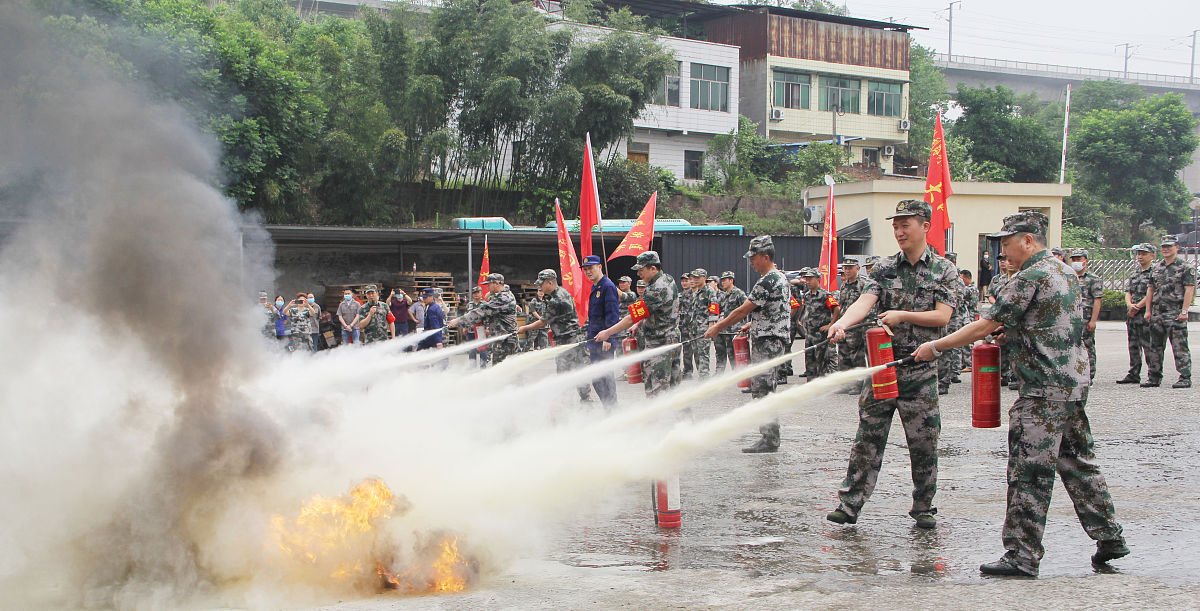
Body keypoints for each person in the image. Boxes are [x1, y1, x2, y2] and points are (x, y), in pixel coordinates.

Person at [912, 211, 1128, 577]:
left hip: (1042, 390)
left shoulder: (1030, 276)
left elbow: (986, 323)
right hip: (1072, 384)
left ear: (1028, 240)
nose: (1004, 251)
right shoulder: (1064, 271)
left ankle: (1022, 556)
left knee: (1028, 473)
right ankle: (1109, 536)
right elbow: (1047, 323)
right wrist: (1014, 334)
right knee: (1078, 463)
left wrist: (936, 346)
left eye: (1007, 244)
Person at [825, 200, 957, 529]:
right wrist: (842, 323)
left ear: (925, 225)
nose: (899, 231)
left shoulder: (944, 270)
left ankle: (923, 507)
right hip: (883, 367)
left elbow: (942, 316)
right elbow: (865, 301)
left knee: (924, 442)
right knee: (867, 438)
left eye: (906, 224)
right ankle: (850, 504)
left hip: (920, 371)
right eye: (895, 226)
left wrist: (902, 315)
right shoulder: (884, 268)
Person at [704, 235, 791, 453]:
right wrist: (752, 324)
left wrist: (718, 327)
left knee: (762, 389)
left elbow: (742, 310)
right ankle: (769, 436)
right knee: (765, 388)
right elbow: (773, 310)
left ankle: (769, 439)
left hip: (768, 342)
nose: (750, 262)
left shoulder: (768, 280)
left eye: (753, 257)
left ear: (765, 256)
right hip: (771, 338)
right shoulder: (779, 277)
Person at [595, 251, 681, 397]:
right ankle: (684, 420)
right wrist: (639, 324)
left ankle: (660, 419)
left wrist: (607, 332)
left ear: (653, 268)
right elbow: (652, 310)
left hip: (659, 343)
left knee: (657, 389)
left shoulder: (656, 289)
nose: (639, 274)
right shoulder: (667, 279)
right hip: (671, 338)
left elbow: (631, 318)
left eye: (642, 270)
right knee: (673, 386)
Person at [517, 269, 594, 402]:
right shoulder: (561, 292)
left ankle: (568, 405)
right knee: (579, 370)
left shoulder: (557, 300)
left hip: (568, 341)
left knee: (565, 374)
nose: (539, 287)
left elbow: (543, 322)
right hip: (574, 338)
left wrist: (524, 328)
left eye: (541, 284)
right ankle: (585, 401)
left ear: (550, 283)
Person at [1143, 237, 1194, 388]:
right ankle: (1154, 377)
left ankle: (1185, 376)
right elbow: (1151, 289)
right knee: (1155, 347)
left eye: (1169, 247)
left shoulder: (1184, 267)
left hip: (1175, 312)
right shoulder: (1157, 267)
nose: (1165, 249)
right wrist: (1148, 310)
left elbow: (1189, 289)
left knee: (1179, 346)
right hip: (1158, 313)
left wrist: (1184, 310)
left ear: (1177, 247)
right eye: (1163, 247)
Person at [448, 273, 520, 364]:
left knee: (503, 371)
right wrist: (492, 293)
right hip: (501, 340)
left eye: (489, 284)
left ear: (496, 284)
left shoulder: (503, 298)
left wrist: (458, 320)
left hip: (505, 342)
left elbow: (481, 312)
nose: (487, 287)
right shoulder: (504, 294)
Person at [582, 255, 621, 407]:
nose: (588, 272)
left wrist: (609, 337)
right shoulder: (596, 286)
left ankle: (612, 409)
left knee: (604, 376)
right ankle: (608, 407)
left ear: (600, 267)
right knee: (597, 378)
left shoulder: (608, 286)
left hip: (604, 340)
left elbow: (612, 314)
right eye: (585, 269)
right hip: (595, 339)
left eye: (590, 268)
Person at [1117, 243, 1156, 384]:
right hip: (1132, 314)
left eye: (1144, 254)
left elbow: (1152, 293)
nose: (1140, 256)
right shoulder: (1135, 273)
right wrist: (1129, 305)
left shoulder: (1155, 272)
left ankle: (1153, 374)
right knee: (1133, 344)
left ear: (1152, 255)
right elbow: (1128, 291)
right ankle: (1134, 372)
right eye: (1139, 254)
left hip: (1146, 313)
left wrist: (1138, 306)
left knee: (1148, 345)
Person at [799, 268, 840, 379]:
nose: (808, 281)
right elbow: (805, 309)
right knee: (809, 360)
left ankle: (822, 383)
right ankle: (811, 382)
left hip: (820, 335)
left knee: (821, 361)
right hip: (809, 334)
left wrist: (831, 324)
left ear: (818, 280)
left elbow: (836, 308)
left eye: (810, 279)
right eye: (806, 279)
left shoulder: (825, 295)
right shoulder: (806, 295)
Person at [836, 259, 870, 394]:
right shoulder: (844, 285)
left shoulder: (863, 284)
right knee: (843, 354)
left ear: (857, 268)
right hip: (845, 324)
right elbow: (841, 305)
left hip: (856, 326)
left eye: (850, 268)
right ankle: (846, 384)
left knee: (857, 355)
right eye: (845, 268)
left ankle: (859, 383)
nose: (847, 270)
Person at [1070, 249, 1103, 381]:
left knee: (1087, 346)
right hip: (1071, 318)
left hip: (1086, 317)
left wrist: (1093, 320)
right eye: (1074, 259)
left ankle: (1089, 374)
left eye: (1079, 259)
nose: (1076, 262)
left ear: (1086, 260)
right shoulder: (1069, 277)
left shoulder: (1093, 279)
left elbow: (1097, 300)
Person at [937, 252, 965, 394]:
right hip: (938, 316)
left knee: (947, 348)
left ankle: (944, 381)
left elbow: (959, 299)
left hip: (952, 317)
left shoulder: (956, 279)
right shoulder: (939, 275)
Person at [686, 267, 719, 379]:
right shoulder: (695, 292)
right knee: (696, 353)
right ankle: (701, 375)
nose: (694, 280)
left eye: (697, 278)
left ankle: (704, 377)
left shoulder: (709, 291)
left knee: (703, 353)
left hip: (704, 327)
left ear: (704, 278)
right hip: (695, 328)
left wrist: (711, 326)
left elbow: (714, 308)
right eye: (693, 278)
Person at [714, 271, 746, 374]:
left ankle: (739, 375)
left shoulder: (739, 293)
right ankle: (733, 374)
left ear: (731, 280)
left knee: (737, 354)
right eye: (721, 280)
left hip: (736, 330)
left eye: (725, 280)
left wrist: (745, 324)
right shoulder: (724, 295)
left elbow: (746, 308)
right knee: (729, 353)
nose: (722, 283)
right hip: (726, 330)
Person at [465, 286, 490, 368]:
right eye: (474, 293)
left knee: (482, 349)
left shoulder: (485, 304)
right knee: (472, 349)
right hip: (471, 329)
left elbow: (488, 317)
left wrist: (487, 328)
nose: (476, 295)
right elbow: (466, 316)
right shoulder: (469, 305)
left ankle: (483, 366)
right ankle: (472, 366)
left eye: (477, 293)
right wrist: (464, 327)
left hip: (481, 329)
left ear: (481, 293)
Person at [678, 272, 697, 378]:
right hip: (682, 326)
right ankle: (687, 371)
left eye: (686, 281)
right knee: (686, 350)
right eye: (683, 281)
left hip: (693, 326)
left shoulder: (694, 294)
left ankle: (693, 371)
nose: (684, 283)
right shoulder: (680, 295)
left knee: (695, 350)